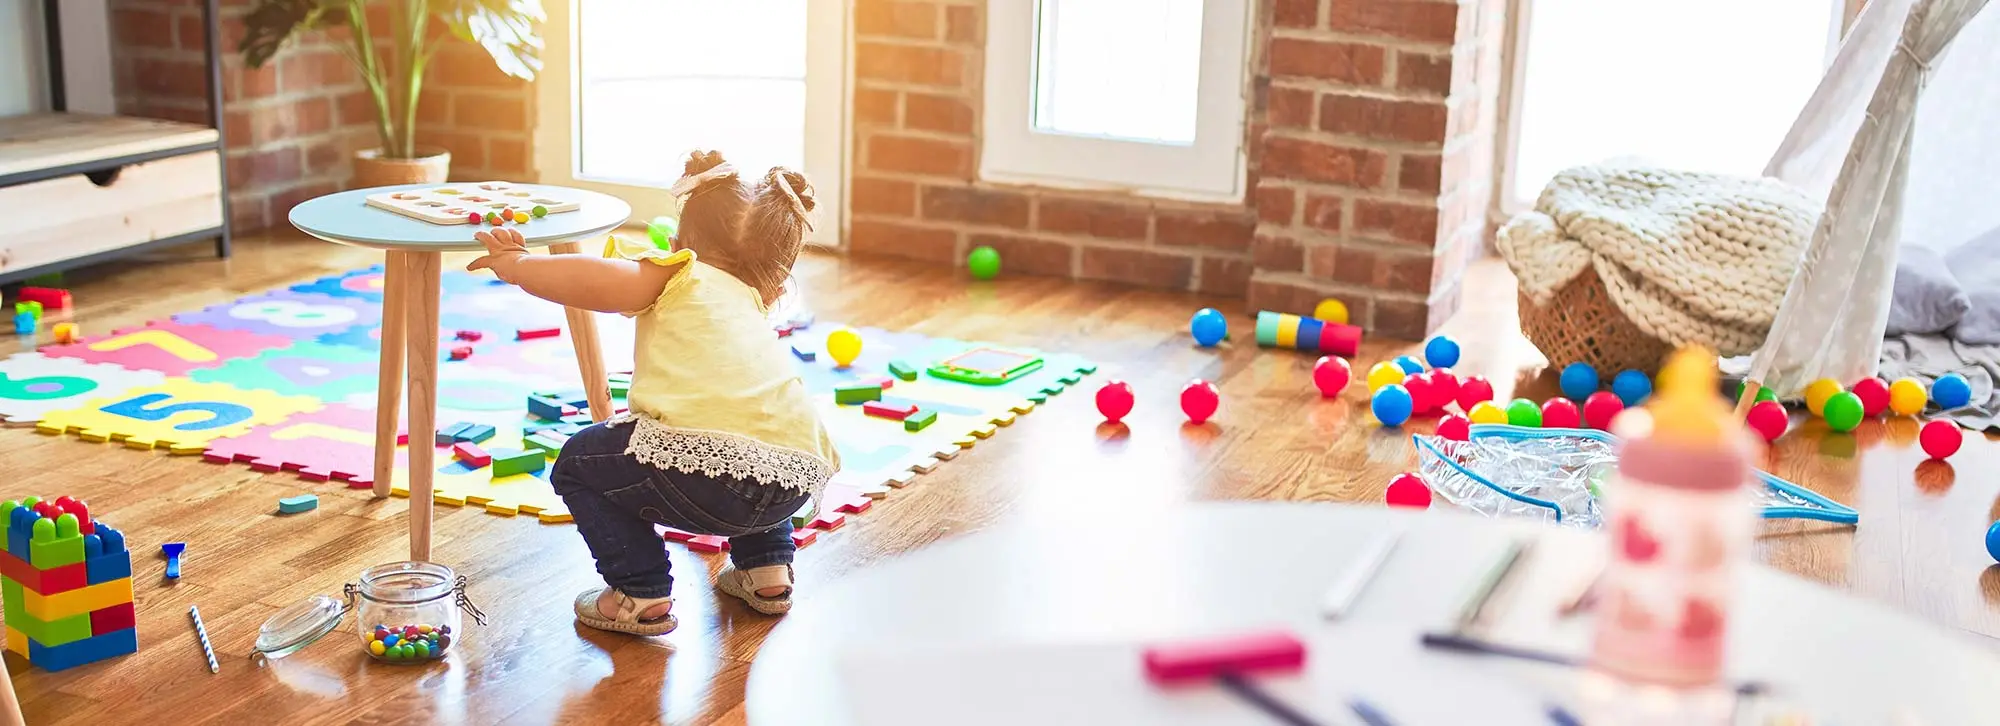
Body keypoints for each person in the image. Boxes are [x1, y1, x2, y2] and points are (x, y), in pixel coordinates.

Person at [467, 150, 838, 636]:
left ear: (686, 238)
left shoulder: (680, 270)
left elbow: (593, 282)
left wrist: (517, 266)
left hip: (713, 479)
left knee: (580, 461)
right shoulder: (749, 301)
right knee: (752, 441)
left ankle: (639, 591)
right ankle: (767, 572)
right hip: (795, 478)